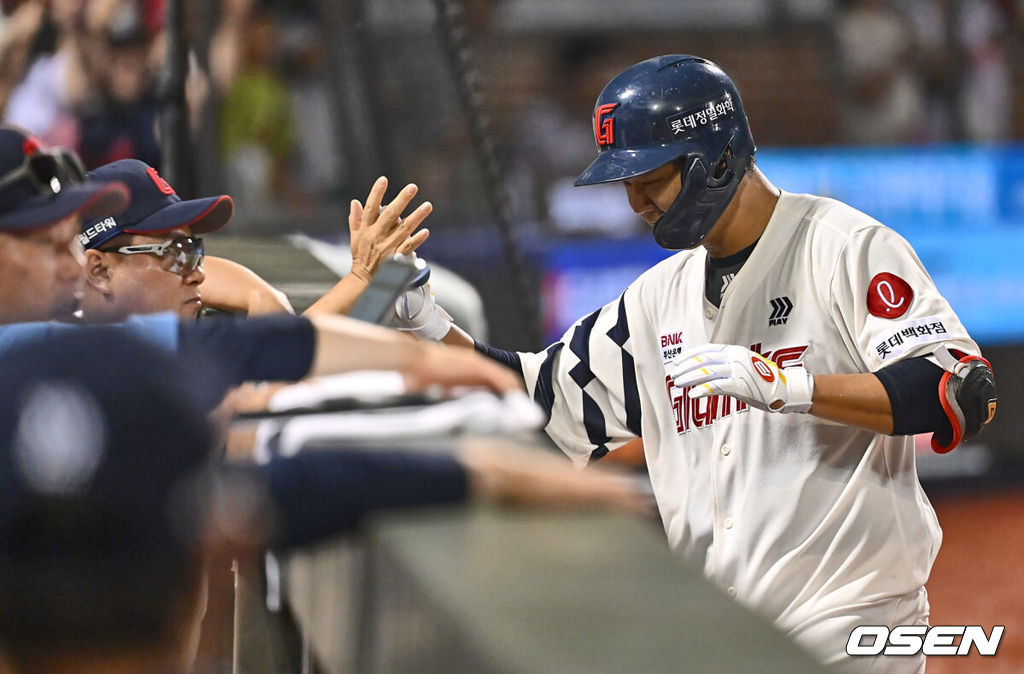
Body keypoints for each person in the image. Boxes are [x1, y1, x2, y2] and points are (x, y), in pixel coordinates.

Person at [437, 55, 998, 672]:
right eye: (625, 183)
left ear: (719, 158)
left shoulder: (842, 247)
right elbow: (538, 402)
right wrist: (427, 327)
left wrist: (794, 388)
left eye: (650, 177)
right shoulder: (656, 300)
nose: (636, 201)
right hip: (719, 636)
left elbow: (958, 391)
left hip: (850, 624)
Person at [0, 328, 647, 674]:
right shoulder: (224, 529)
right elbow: (318, 486)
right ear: (223, 545)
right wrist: (491, 470)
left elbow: (320, 485)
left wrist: (476, 469)